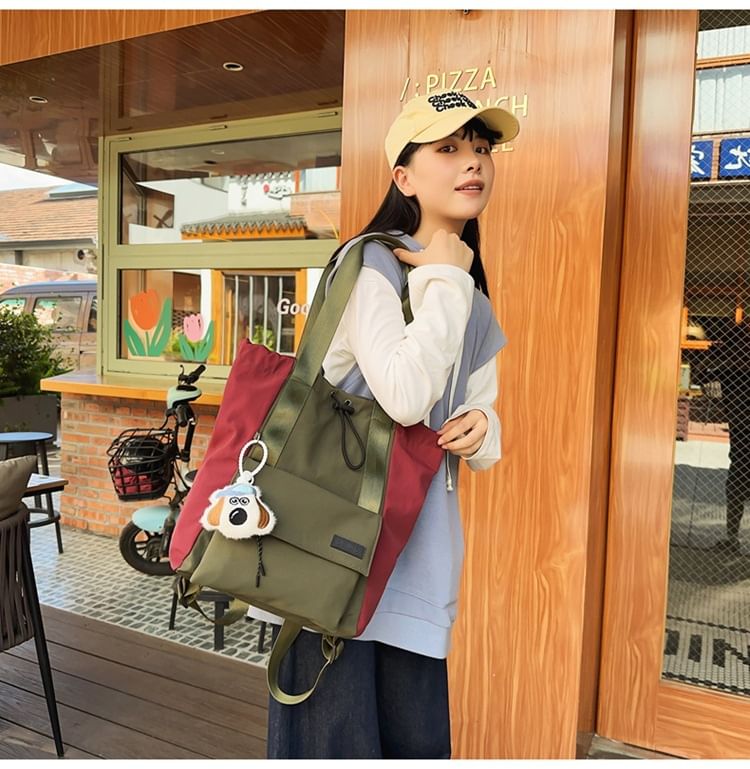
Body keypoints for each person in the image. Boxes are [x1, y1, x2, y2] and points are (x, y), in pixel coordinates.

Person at [258, 91, 519, 759]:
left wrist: (482, 426)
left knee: (416, 747)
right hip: (331, 556)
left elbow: (483, 428)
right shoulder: (369, 263)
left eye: (481, 148)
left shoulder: (468, 293)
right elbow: (403, 396)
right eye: (449, 148)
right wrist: (446, 279)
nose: (473, 162)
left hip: (418, 561)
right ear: (404, 177)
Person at [704, 319, 750, 555]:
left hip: (741, 438)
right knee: (736, 484)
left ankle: (732, 537)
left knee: (736, 484)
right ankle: (732, 538)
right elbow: (705, 378)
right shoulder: (730, 370)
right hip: (741, 440)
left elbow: (706, 378)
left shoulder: (730, 370)